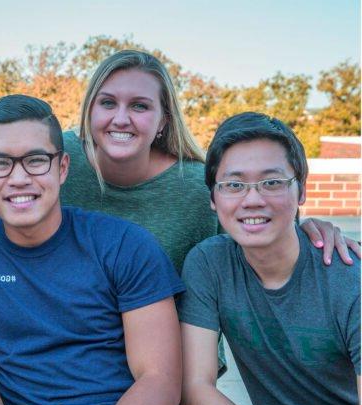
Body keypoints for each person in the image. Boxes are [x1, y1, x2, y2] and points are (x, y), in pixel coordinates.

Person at [0, 95, 184, 405]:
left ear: (62, 167)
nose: (19, 178)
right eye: (0, 163)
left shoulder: (126, 244)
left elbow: (159, 379)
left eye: (36, 160)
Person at [61, 49, 359, 273]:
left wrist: (307, 231)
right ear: (90, 110)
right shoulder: (56, 161)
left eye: (140, 106)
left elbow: (261, 231)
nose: (121, 119)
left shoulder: (200, 187)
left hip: (182, 349)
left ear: (164, 120)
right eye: (108, 103)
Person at [178, 112, 360, 405]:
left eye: (272, 182)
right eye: (234, 184)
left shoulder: (348, 278)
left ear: (301, 191)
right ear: (213, 197)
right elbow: (195, 389)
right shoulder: (210, 265)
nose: (252, 199)